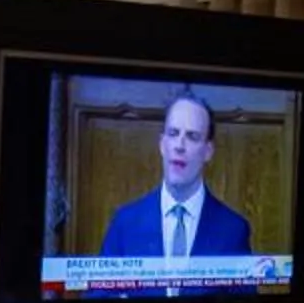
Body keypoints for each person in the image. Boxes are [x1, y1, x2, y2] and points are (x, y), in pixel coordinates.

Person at [98, 92, 253, 259]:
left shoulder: (233, 230)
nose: (179, 146)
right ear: (162, 145)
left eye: (192, 137)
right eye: (173, 134)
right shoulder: (125, 223)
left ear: (208, 151)